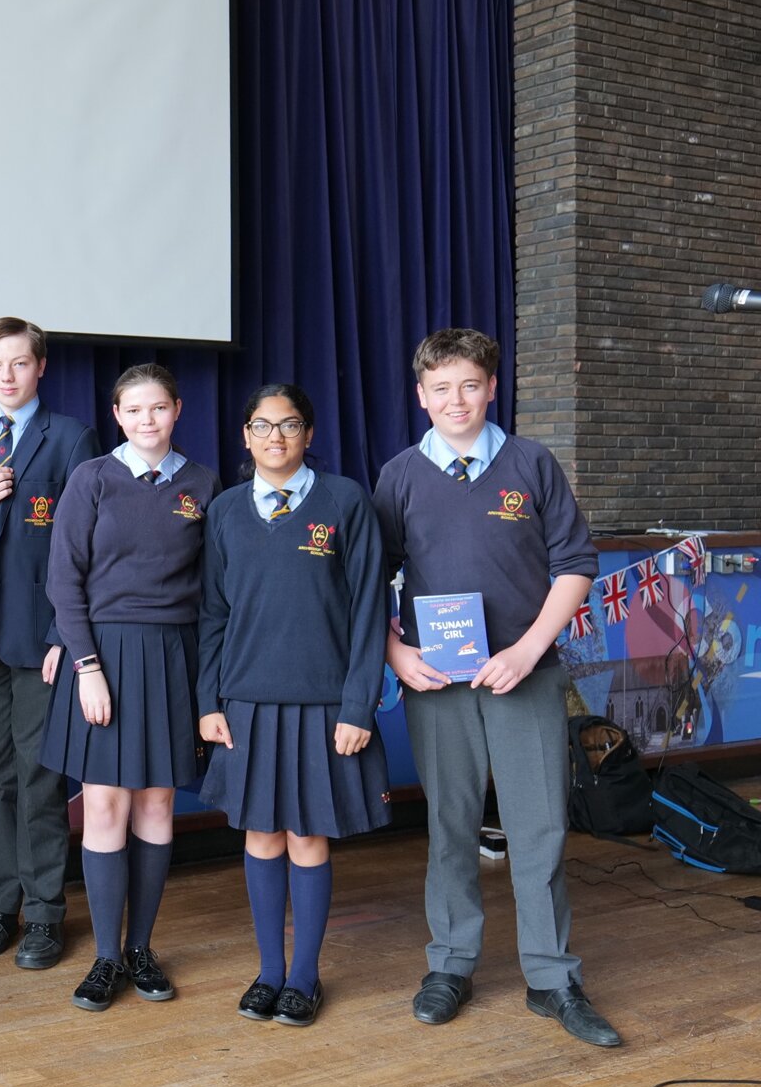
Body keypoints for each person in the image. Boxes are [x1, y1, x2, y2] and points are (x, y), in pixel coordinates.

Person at [371, 328, 616, 1047]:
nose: (456, 400)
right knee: (449, 826)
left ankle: (552, 978)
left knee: (538, 828)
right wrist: (394, 653)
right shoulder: (399, 476)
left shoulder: (530, 464)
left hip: (525, 676)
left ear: (491, 388)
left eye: (469, 385)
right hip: (437, 682)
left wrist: (528, 648)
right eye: (440, 388)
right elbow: (367, 583)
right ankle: (450, 964)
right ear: (420, 396)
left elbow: (575, 563)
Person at [197, 385, 391, 1028]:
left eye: (289, 425)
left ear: (309, 434)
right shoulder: (224, 511)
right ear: (245, 436)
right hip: (246, 702)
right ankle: (268, 973)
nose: (274, 436)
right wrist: (210, 701)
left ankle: (304, 976)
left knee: (308, 836)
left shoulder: (345, 502)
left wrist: (358, 706)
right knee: (260, 834)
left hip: (324, 702)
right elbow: (212, 615)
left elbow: (369, 612)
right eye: (261, 425)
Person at [39, 363, 221, 1010]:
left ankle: (141, 948)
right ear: (118, 415)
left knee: (156, 807)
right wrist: (85, 664)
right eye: (134, 410)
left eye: (159, 408)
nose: (147, 420)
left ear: (177, 410)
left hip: (174, 657)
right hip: (105, 657)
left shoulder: (202, 484)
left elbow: (213, 593)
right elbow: (64, 579)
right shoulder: (91, 478)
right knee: (106, 806)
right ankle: (106, 958)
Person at [0, 319, 99, 970]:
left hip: (43, 645)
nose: (7, 375)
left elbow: (88, 548)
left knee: (39, 778)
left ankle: (45, 913)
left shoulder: (71, 438)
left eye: (19, 364)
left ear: (41, 368)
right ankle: (1, 902)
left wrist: (66, 633)